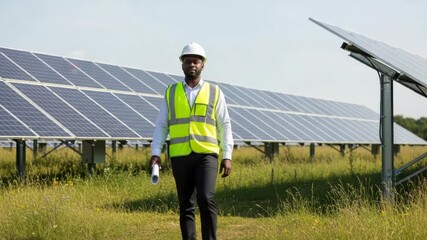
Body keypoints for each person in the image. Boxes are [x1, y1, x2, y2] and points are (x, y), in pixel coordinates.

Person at [149, 42, 233, 240]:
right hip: (180, 156)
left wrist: (227, 155)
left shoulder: (215, 92)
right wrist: (155, 153)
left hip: (206, 154)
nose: (192, 64)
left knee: (206, 198)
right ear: (182, 64)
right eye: (188, 61)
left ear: (203, 65)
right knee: (186, 204)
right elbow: (162, 125)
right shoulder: (171, 92)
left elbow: (225, 125)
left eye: (196, 61)